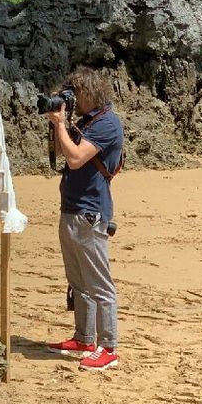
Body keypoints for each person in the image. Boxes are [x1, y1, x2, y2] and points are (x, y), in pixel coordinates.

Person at [45, 66, 124, 371]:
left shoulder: (107, 125)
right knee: (78, 281)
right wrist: (61, 124)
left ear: (90, 92)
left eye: (75, 93)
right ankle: (84, 339)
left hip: (90, 211)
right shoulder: (89, 121)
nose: (73, 99)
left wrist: (61, 124)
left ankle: (108, 347)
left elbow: (76, 158)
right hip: (73, 208)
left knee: (99, 284)